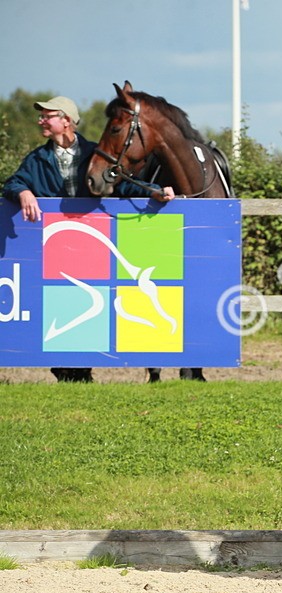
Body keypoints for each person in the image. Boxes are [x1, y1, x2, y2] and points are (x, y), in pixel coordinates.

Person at [2, 95, 174, 383]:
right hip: (54, 245)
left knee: (87, 303)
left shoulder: (95, 154)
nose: (41, 120)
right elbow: (13, 182)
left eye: (48, 116)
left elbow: (123, 185)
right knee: (60, 303)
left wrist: (154, 191)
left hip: (89, 243)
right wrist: (23, 192)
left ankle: (81, 371)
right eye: (42, 116)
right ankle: (66, 371)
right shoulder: (36, 159)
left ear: (66, 120)